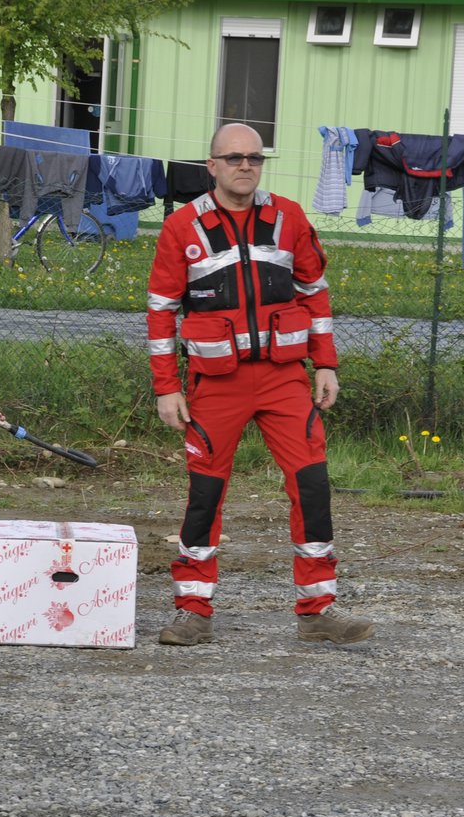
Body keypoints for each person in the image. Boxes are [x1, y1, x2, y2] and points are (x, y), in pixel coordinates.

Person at [147, 122, 375, 647]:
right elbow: (161, 312)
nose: (245, 166)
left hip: (283, 380)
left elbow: (314, 293)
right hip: (215, 385)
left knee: (313, 487)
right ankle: (193, 611)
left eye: (254, 157)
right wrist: (167, 387)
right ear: (212, 165)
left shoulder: (289, 217)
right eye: (233, 158)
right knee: (205, 496)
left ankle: (318, 610)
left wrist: (325, 364)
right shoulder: (182, 226)